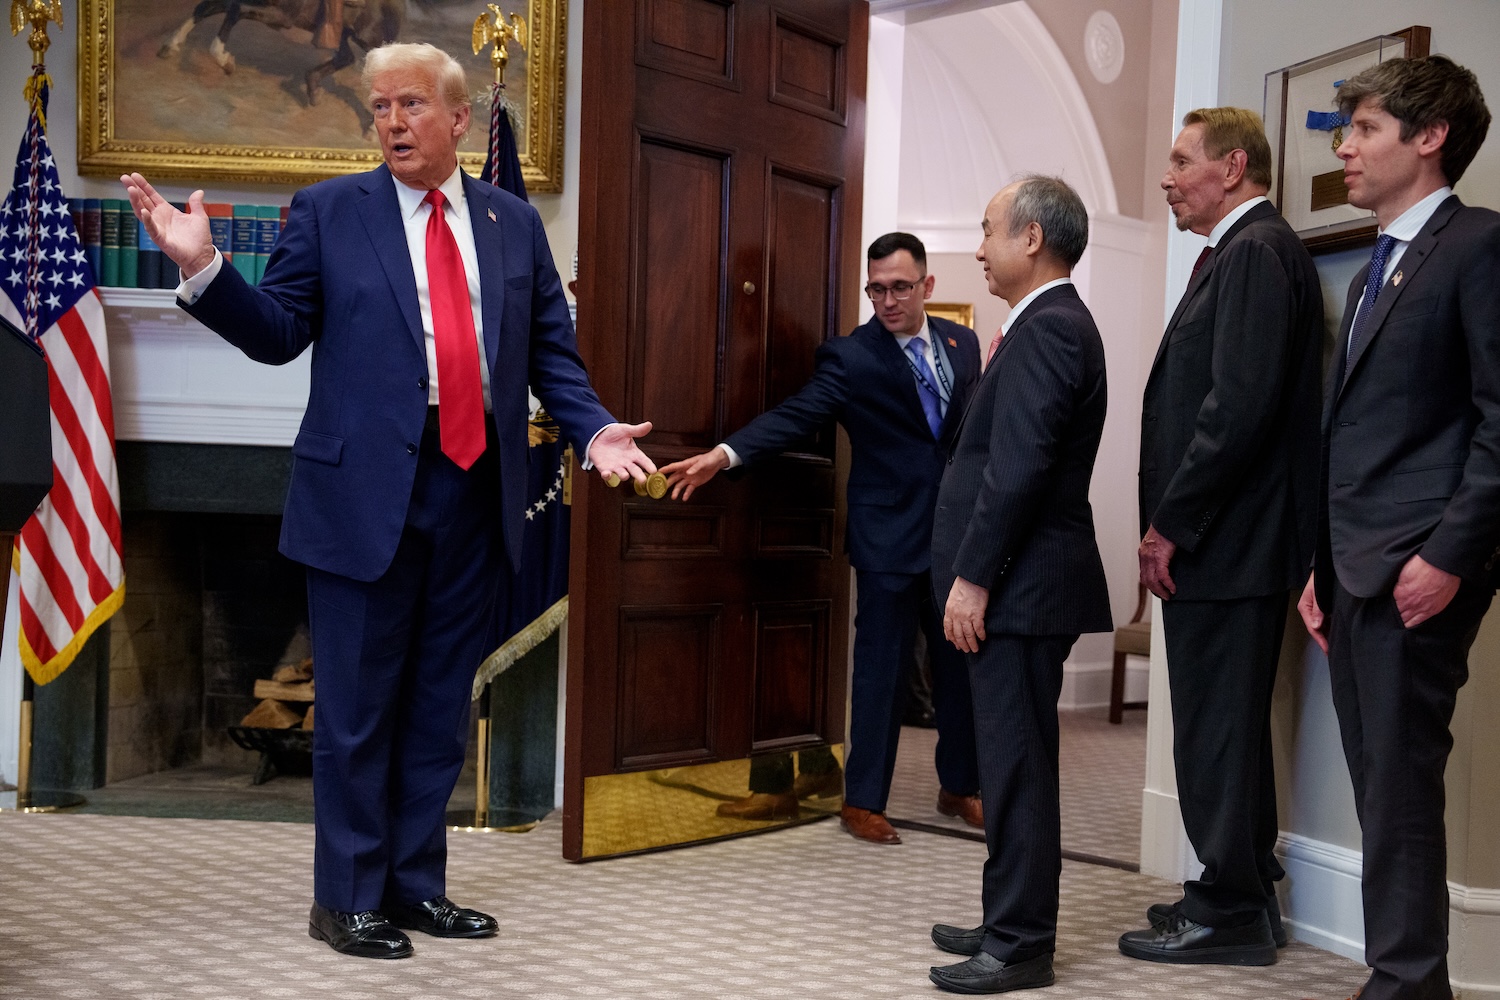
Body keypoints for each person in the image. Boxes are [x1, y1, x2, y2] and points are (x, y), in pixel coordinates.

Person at [121, 42, 655, 960]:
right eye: (379, 108)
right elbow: (279, 335)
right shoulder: (331, 211)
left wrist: (594, 428)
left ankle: (416, 888)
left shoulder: (510, 223)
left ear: (456, 119)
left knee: (439, 708)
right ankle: (346, 900)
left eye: (411, 105)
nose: (394, 122)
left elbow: (549, 357)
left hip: (475, 491)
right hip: (362, 495)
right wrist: (205, 270)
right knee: (359, 712)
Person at [661, 233, 983, 844]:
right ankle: (863, 800)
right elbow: (796, 414)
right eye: (876, 289)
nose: (887, 301)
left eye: (900, 287)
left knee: (959, 667)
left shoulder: (961, 343)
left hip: (955, 538)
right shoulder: (851, 357)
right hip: (888, 538)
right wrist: (723, 456)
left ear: (927, 286)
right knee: (881, 673)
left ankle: (960, 785)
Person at [1297, 55, 1499, 1000]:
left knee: (1401, 781)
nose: (1345, 147)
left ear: (1430, 138)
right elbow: (1356, 435)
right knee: (1379, 777)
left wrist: (1449, 557)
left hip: (1420, 571)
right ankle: (1406, 978)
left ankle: (1407, 983)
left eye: (1365, 129)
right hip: (1350, 569)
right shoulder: (1379, 261)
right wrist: (1320, 564)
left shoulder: (1479, 246)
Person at [1118, 107, 1323, 966]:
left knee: (1216, 732)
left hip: (1225, 545)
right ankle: (1234, 894)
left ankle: (1232, 911)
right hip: (1229, 544)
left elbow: (1235, 411)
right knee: (1223, 728)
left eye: (1180, 161)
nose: (1166, 178)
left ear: (1233, 166)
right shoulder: (1248, 253)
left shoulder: (1255, 252)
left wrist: (1170, 524)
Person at [926, 176, 1111, 994]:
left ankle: (1021, 942)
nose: (978, 247)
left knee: (1020, 764)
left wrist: (973, 578)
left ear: (1032, 238)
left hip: (1022, 585)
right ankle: (1008, 914)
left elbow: (1021, 468)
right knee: (1007, 761)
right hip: (1019, 582)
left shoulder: (1052, 330)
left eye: (989, 229)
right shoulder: (1040, 325)